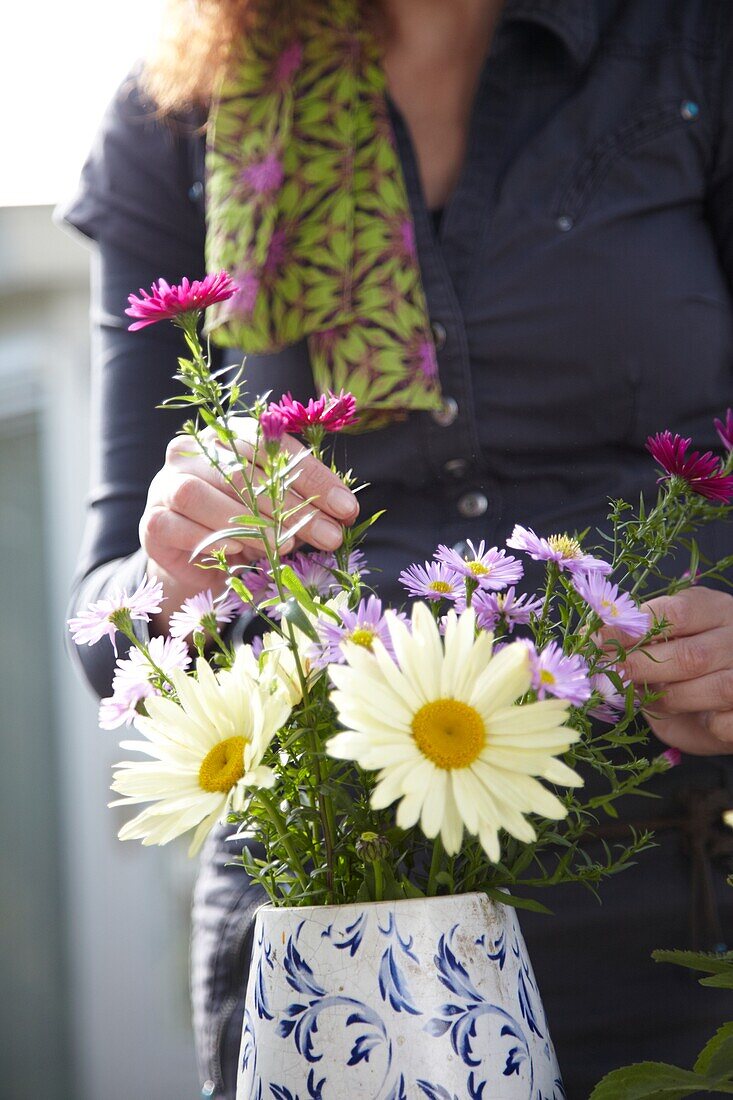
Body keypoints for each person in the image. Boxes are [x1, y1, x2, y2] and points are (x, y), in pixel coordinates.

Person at [60, 0, 733, 1095]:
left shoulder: (690, 44)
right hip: (331, 918)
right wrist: (172, 570)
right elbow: (109, 639)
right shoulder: (180, 109)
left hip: (676, 894)